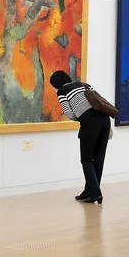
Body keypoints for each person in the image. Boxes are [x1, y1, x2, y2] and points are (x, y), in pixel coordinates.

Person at [50, 70, 110, 204]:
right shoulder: (84, 84)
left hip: (90, 123)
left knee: (86, 159)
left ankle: (95, 194)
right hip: (105, 120)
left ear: (55, 84)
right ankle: (89, 191)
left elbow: (69, 113)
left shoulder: (62, 92)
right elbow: (99, 102)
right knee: (98, 158)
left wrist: (84, 116)